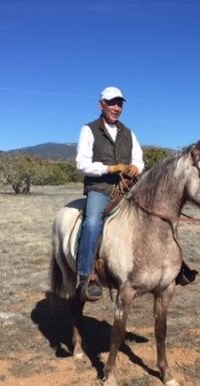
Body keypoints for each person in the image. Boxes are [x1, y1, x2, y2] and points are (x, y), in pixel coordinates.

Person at [75, 86, 145, 300]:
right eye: (112, 103)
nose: (116, 107)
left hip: (127, 188)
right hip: (101, 188)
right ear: (101, 105)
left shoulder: (129, 132)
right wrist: (109, 169)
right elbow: (81, 163)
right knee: (93, 222)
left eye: (119, 104)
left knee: (156, 212)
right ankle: (87, 276)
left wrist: (136, 168)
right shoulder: (89, 130)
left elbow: (139, 159)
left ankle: (174, 267)